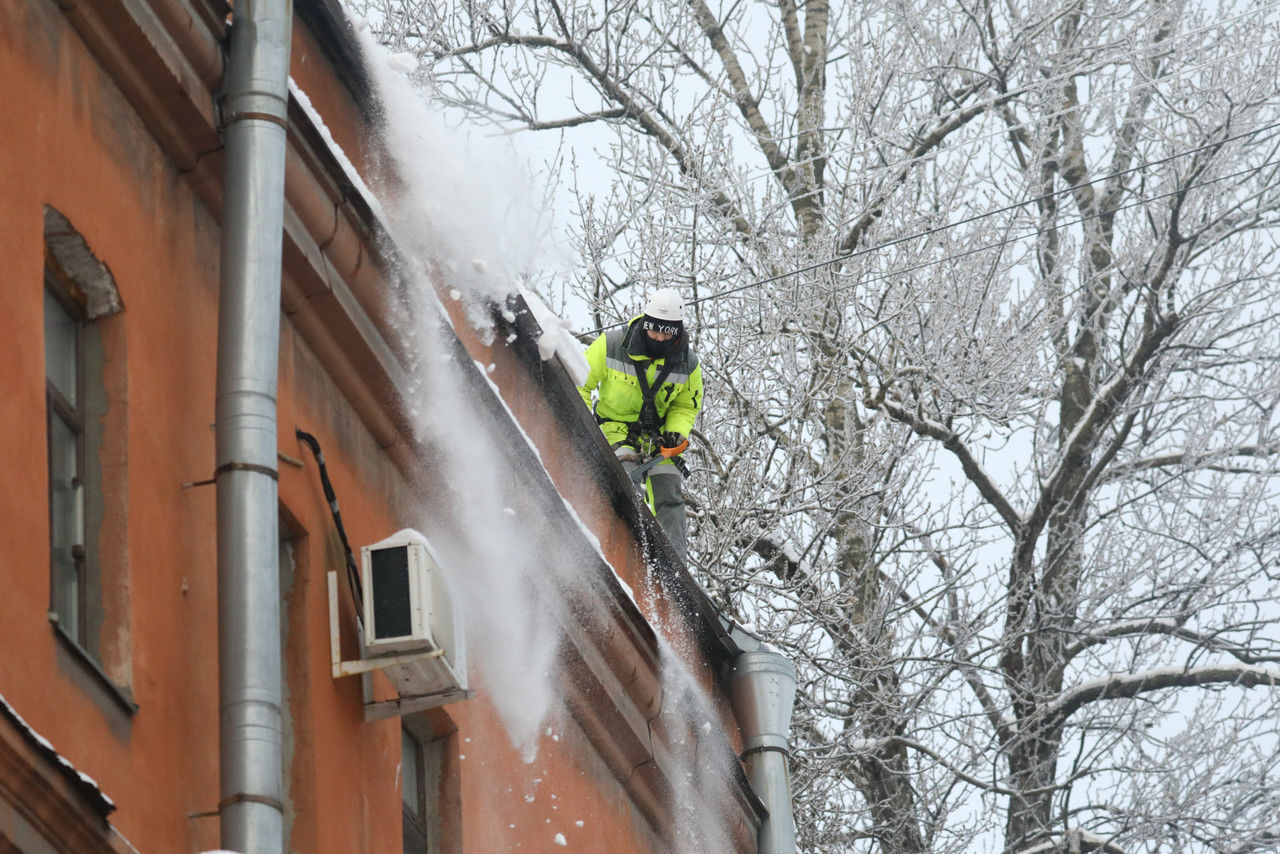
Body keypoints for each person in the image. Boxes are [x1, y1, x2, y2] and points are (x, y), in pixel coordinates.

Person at [578, 288, 703, 562]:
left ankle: (675, 565)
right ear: (645, 323)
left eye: (666, 332)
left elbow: (685, 405)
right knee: (626, 477)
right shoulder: (611, 344)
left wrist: (676, 433)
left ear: (677, 331)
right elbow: (580, 384)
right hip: (615, 427)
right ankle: (624, 552)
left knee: (669, 491)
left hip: (659, 440)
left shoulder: (688, 364)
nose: (658, 337)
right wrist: (583, 429)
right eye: (654, 330)